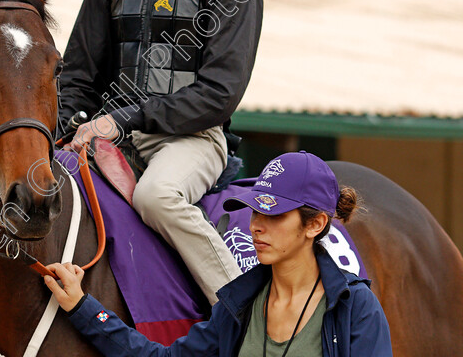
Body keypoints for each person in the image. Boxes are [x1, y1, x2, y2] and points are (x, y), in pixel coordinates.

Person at [58, 0, 263, 305]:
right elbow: (76, 76)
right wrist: (61, 125)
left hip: (191, 141)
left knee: (156, 197)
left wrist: (124, 119)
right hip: (111, 137)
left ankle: (240, 312)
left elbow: (218, 94)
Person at [43, 151, 394, 356]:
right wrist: (83, 307)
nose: (256, 226)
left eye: (274, 215)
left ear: (315, 224)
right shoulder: (239, 305)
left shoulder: (356, 308)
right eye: (256, 211)